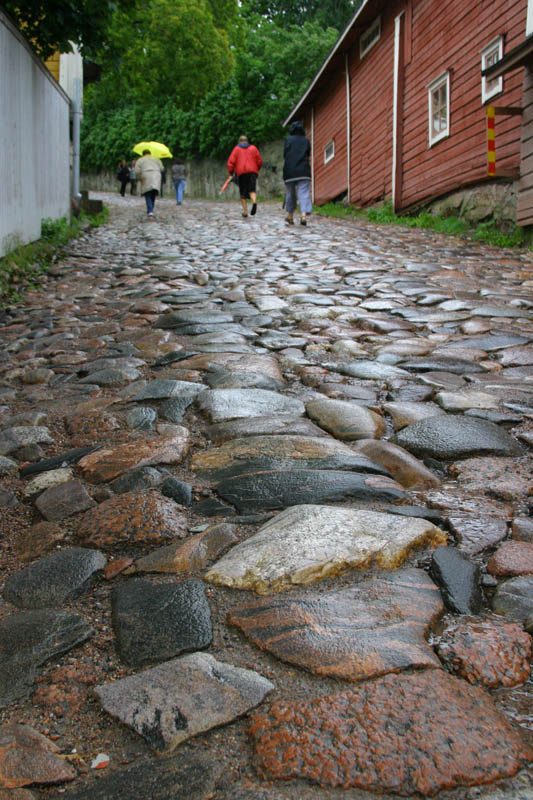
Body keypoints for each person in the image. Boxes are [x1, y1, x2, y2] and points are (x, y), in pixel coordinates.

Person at [283, 121, 312, 226]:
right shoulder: (306, 141)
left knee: (290, 193)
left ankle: (290, 215)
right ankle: (303, 214)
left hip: (290, 171)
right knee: (303, 193)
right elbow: (308, 153)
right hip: (303, 170)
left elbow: (285, 155)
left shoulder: (288, 140)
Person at [227, 135, 262, 218]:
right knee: (252, 190)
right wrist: (257, 170)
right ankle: (254, 202)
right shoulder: (253, 148)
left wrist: (231, 173)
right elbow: (259, 161)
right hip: (252, 172)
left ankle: (245, 211)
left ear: (240, 141)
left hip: (241, 173)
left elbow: (230, 162)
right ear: (247, 141)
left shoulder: (236, 149)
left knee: (243, 192)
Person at [135, 149, 164, 217]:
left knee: (147, 193)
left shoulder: (140, 160)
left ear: (143, 154)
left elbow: (137, 171)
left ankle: (150, 210)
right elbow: (162, 168)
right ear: (150, 153)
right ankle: (151, 209)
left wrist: (139, 178)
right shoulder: (156, 159)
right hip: (156, 175)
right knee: (153, 192)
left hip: (146, 175)